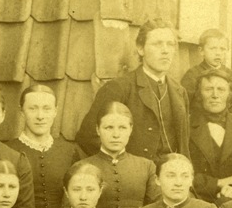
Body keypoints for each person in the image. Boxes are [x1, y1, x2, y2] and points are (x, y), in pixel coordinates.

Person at [75, 19, 190, 163]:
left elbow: (184, 145)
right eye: (157, 44)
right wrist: (125, 168)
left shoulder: (179, 92)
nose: (165, 50)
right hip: (134, 178)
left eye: (170, 44)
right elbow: (88, 136)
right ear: (140, 49)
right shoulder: (119, 88)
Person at [6, 84, 84, 208]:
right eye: (33, 108)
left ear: (55, 112)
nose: (40, 116)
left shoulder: (70, 151)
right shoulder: (8, 151)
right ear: (22, 111)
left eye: (46, 109)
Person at [81, 101, 160, 208]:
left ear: (131, 129)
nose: (116, 135)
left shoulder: (146, 166)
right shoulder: (83, 167)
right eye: (109, 128)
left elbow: (158, 207)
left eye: (122, 128)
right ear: (97, 130)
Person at [188, 69, 232, 205]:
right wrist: (218, 183)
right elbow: (183, 171)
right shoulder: (186, 128)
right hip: (197, 195)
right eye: (208, 89)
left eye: (221, 90)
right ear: (199, 94)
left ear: (229, 94)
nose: (215, 95)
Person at [179, 28, 232, 117]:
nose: (218, 53)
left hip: (226, 121)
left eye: (222, 49)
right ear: (201, 51)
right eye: (213, 48)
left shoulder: (230, 74)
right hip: (200, 122)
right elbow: (183, 102)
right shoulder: (192, 74)